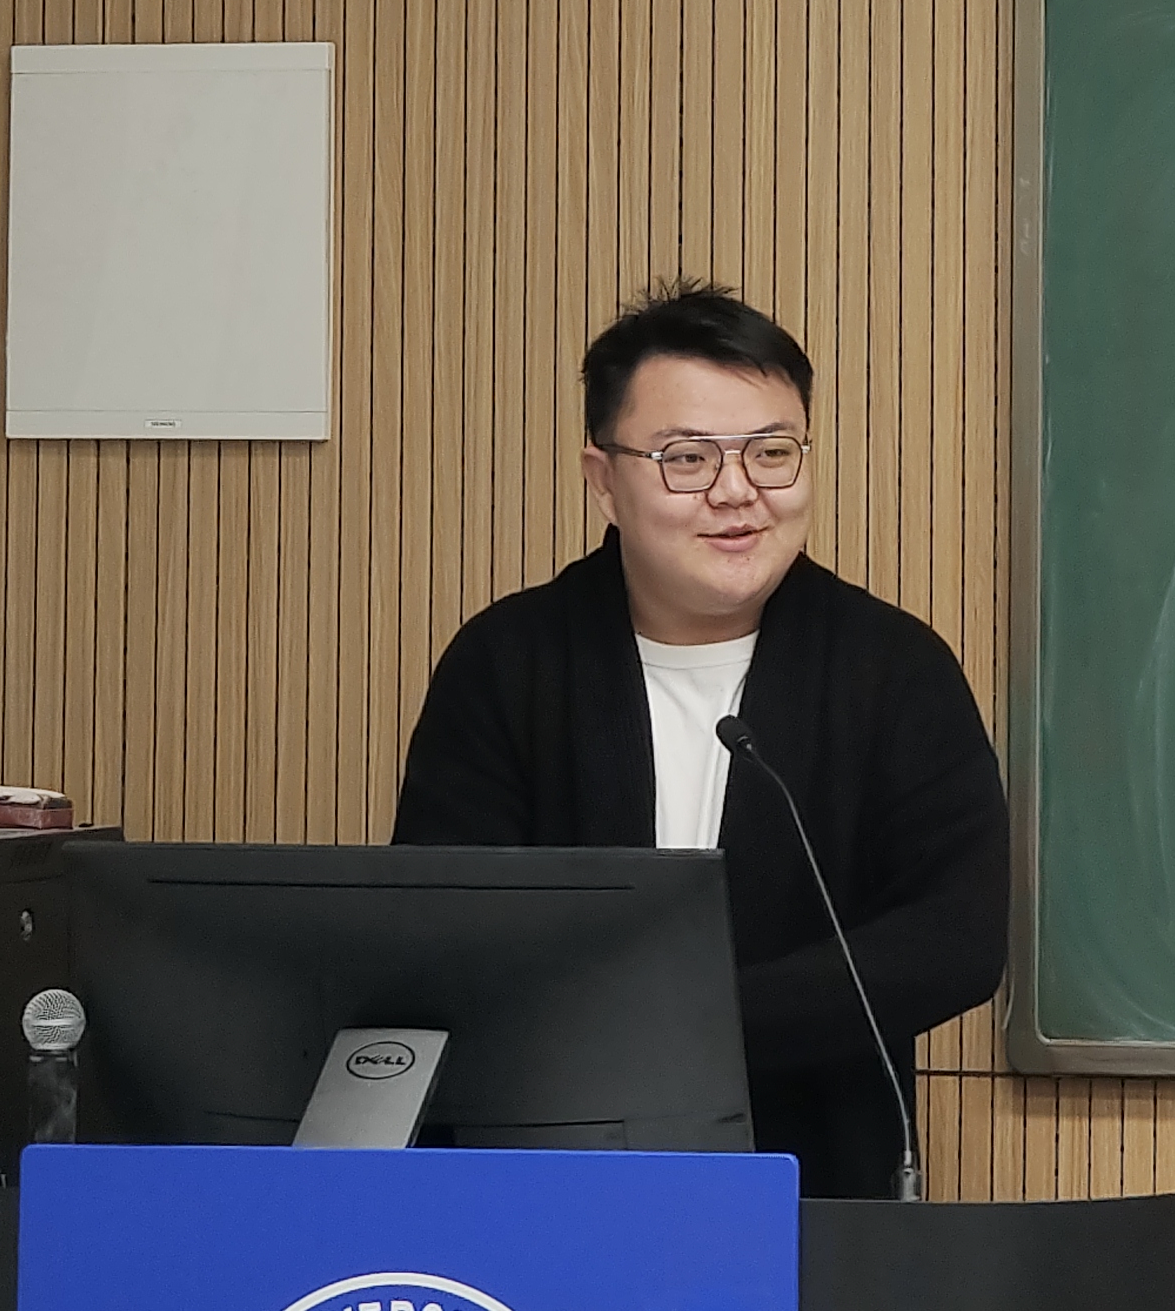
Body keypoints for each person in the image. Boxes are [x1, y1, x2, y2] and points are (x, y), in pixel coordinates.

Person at [391, 279, 1007, 1198]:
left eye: (773, 453)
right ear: (604, 479)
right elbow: (442, 929)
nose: (737, 492)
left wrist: (690, 1024)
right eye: (687, 459)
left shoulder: (892, 669)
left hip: (810, 1178)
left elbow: (956, 938)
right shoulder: (508, 663)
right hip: (537, 1171)